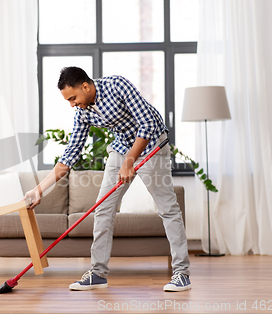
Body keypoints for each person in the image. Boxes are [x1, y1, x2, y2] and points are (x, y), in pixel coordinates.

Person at [23, 66, 191, 292]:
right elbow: (70, 154)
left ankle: (182, 273)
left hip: (152, 144)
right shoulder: (83, 112)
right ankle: (98, 273)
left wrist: (130, 161)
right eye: (68, 101)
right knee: (103, 209)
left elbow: (148, 124)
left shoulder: (117, 85)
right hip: (122, 148)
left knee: (168, 208)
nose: (72, 104)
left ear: (85, 86)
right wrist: (38, 190)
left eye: (73, 98)